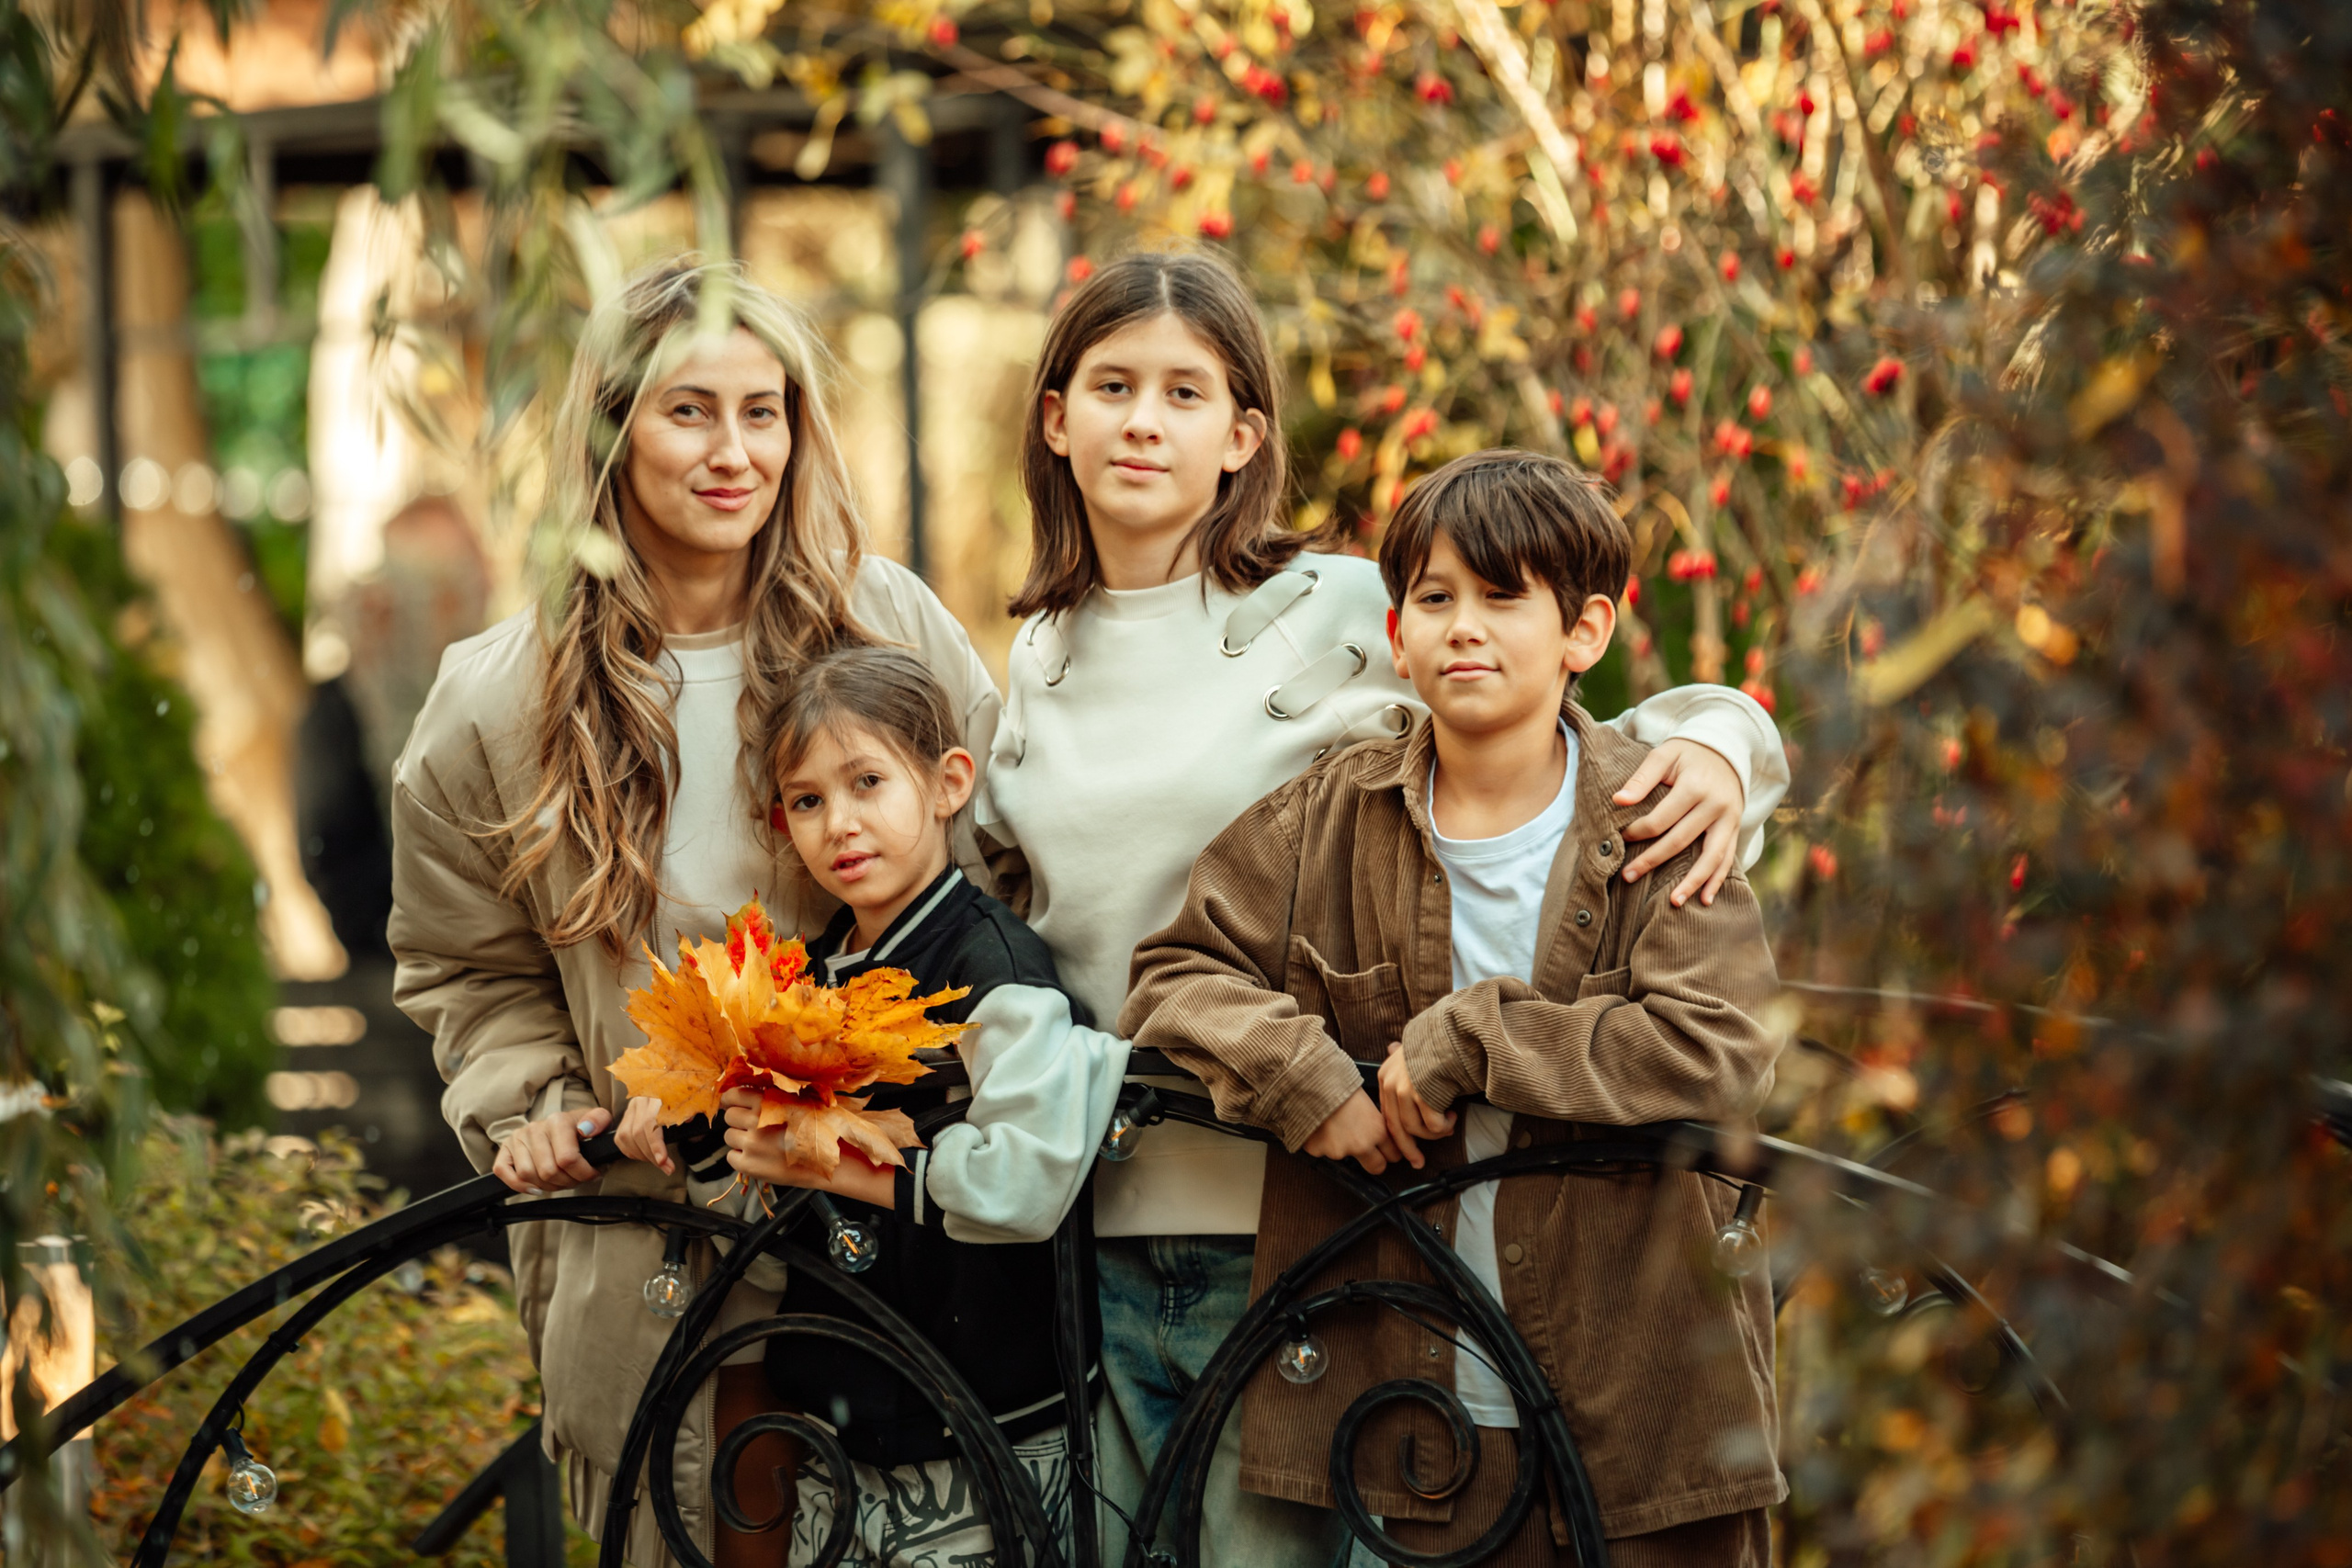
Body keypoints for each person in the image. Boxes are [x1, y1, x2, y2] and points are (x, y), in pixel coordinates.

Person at [978, 249, 1791, 1566]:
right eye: (1113, 384)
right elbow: (1054, 923)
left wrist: (1727, 740)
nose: (1142, 419)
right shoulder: (1034, 658)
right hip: (1110, 1212)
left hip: (1320, 1210)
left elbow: (1554, 729)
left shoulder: (1350, 604)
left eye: (1185, 391)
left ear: (1245, 436)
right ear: (1053, 414)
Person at [389, 259, 1003, 1567]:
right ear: (611, 430)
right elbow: (466, 965)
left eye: (764, 412)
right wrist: (535, 1101)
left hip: (881, 1235)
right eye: (689, 413)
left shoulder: (884, 628)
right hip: (653, 1242)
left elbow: (993, 874)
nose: (736, 453)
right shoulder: (499, 700)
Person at [1123, 448, 1787, 1567]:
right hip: (1409, 1409)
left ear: (1584, 632)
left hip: (1643, 1412)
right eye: (1434, 599)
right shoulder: (1327, 820)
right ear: (1397, 636)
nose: (1462, 626)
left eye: (1501, 595)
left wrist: (1475, 1039)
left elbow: (1718, 1048)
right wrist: (1306, 1080)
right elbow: (1176, 974)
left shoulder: (1659, 818)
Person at [622, 643, 1126, 1566]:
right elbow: (748, 1204)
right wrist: (691, 1115)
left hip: (987, 1432)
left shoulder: (992, 970)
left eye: (867, 782)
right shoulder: (797, 986)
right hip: (837, 1441)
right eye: (808, 801)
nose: (840, 824)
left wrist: (837, 1162)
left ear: (946, 783)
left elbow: (1029, 1180)